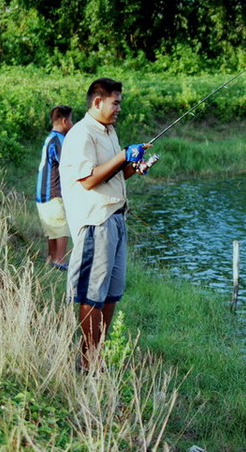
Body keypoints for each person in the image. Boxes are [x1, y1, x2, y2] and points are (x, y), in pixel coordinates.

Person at [59, 78, 152, 369]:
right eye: (116, 102)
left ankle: (97, 354)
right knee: (91, 293)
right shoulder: (80, 135)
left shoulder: (109, 132)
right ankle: (88, 361)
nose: (119, 109)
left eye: (120, 103)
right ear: (97, 102)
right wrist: (125, 154)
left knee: (111, 293)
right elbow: (88, 180)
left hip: (116, 218)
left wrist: (133, 167)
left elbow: (112, 175)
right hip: (95, 221)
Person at [36, 105, 74, 270]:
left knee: (51, 228)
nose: (72, 124)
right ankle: (59, 261)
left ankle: (51, 261)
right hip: (53, 193)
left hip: (42, 194)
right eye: (71, 120)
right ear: (65, 121)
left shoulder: (50, 137)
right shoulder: (60, 140)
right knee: (61, 227)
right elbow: (69, 166)